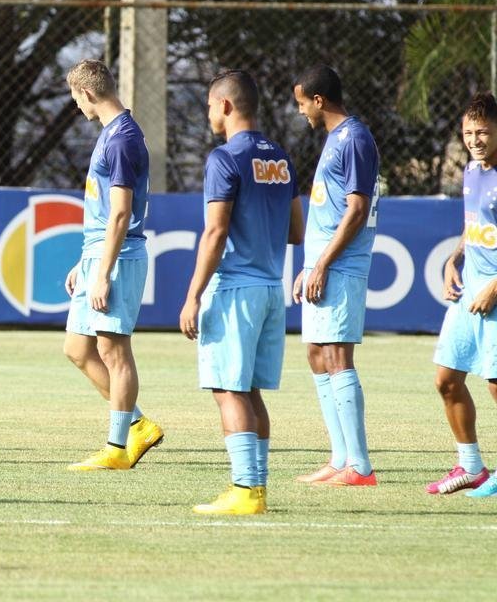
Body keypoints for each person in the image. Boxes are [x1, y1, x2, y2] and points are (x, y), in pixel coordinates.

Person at [180, 71, 304, 515]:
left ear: (227, 106)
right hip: (272, 287)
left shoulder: (224, 158)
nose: (209, 113)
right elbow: (297, 231)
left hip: (236, 287)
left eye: (211, 105)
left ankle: (244, 491)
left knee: (227, 389)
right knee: (251, 391)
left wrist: (193, 295)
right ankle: (258, 488)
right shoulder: (282, 158)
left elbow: (215, 232)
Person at [62, 58, 164, 472]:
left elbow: (121, 214)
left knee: (112, 350)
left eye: (75, 97)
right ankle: (138, 423)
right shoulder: (112, 134)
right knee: (77, 348)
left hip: (118, 258)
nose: (77, 105)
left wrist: (102, 271)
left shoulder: (122, 138)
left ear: (86, 93)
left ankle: (117, 447)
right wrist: (85, 260)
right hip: (98, 253)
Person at [291, 65, 380, 487]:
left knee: (338, 355)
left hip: (342, 266)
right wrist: (309, 265)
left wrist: (324, 263)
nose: (301, 112)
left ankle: (360, 465)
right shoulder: (334, 140)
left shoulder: (355, 138)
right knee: (316, 352)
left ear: (319, 100)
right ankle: (340, 457)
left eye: (301, 103)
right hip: (322, 264)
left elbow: (357, 210)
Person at [426, 91, 497, 497]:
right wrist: (454, 258)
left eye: (483, 131)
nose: (474, 139)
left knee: (495, 384)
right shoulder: (472, 172)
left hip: (492, 294)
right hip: (469, 289)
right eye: (468, 131)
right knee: (446, 379)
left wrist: (493, 287)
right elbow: (475, 230)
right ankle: (472, 467)